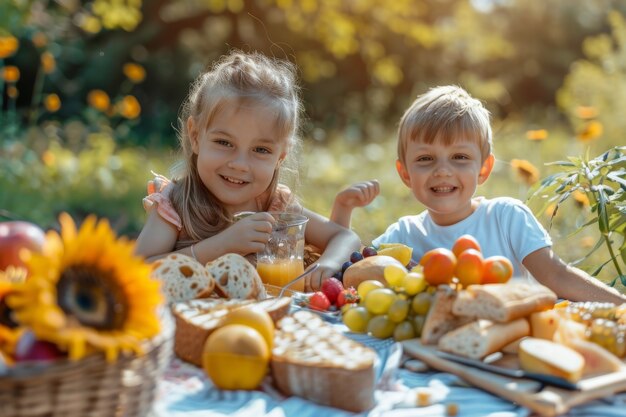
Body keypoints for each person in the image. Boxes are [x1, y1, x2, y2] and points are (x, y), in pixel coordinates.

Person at [366, 85, 624, 303]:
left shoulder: (507, 217)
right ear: (405, 173)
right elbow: (353, 268)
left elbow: (556, 276)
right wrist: (344, 211)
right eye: (425, 158)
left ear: (484, 168)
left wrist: (621, 306)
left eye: (459, 157)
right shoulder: (403, 235)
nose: (442, 170)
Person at [134, 51, 360, 291]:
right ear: (196, 136)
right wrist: (222, 245)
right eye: (224, 143)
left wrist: (326, 265)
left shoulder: (275, 206)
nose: (240, 164)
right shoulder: (175, 205)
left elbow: (346, 238)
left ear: (280, 157)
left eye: (260, 150)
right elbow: (138, 272)